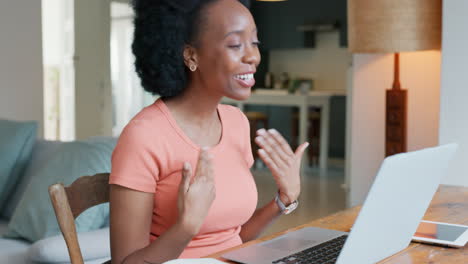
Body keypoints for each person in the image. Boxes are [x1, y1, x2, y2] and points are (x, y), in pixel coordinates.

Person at [109, 0, 309, 263]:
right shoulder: (144, 136)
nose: (253, 56)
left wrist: (282, 200)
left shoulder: (236, 122)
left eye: (255, 43)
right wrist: (186, 227)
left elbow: (233, 237)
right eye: (236, 44)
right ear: (191, 55)